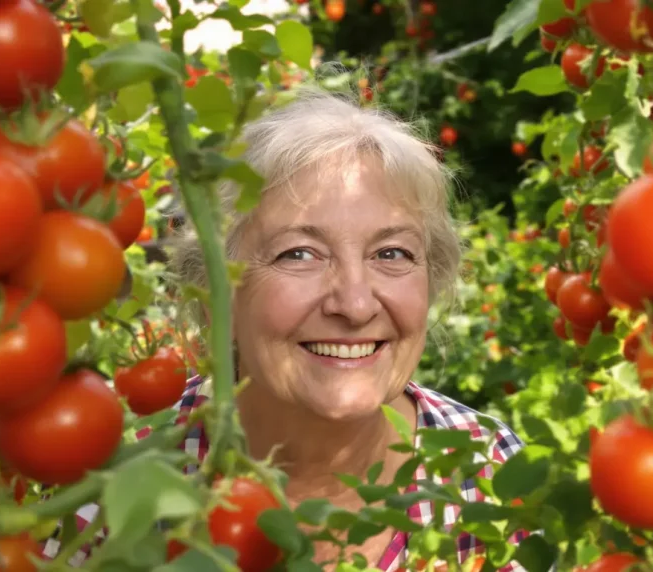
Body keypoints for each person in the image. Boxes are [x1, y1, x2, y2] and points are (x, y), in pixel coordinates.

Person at [43, 87, 529, 571]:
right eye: (298, 254)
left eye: (392, 253)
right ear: (216, 294)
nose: (355, 305)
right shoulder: (108, 469)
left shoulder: (488, 471)